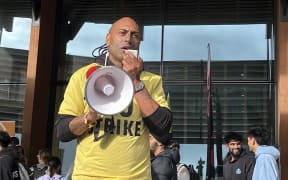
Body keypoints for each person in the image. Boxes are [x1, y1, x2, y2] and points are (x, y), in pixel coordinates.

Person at [56, 16, 172, 179]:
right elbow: (62, 132)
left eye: (135, 35)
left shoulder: (151, 81)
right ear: (108, 39)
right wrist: (88, 118)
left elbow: (163, 130)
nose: (128, 39)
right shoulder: (83, 76)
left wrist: (135, 80)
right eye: (122, 33)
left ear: (139, 43)